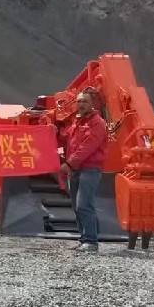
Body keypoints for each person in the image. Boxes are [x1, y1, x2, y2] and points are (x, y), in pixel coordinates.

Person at [60, 88, 109, 252]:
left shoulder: (97, 123)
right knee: (77, 206)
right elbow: (68, 139)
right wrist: (53, 132)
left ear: (92, 103)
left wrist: (69, 164)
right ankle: (84, 239)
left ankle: (91, 241)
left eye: (85, 101)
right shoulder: (77, 121)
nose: (81, 104)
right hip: (75, 170)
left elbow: (87, 147)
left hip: (89, 169)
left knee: (84, 205)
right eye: (79, 101)